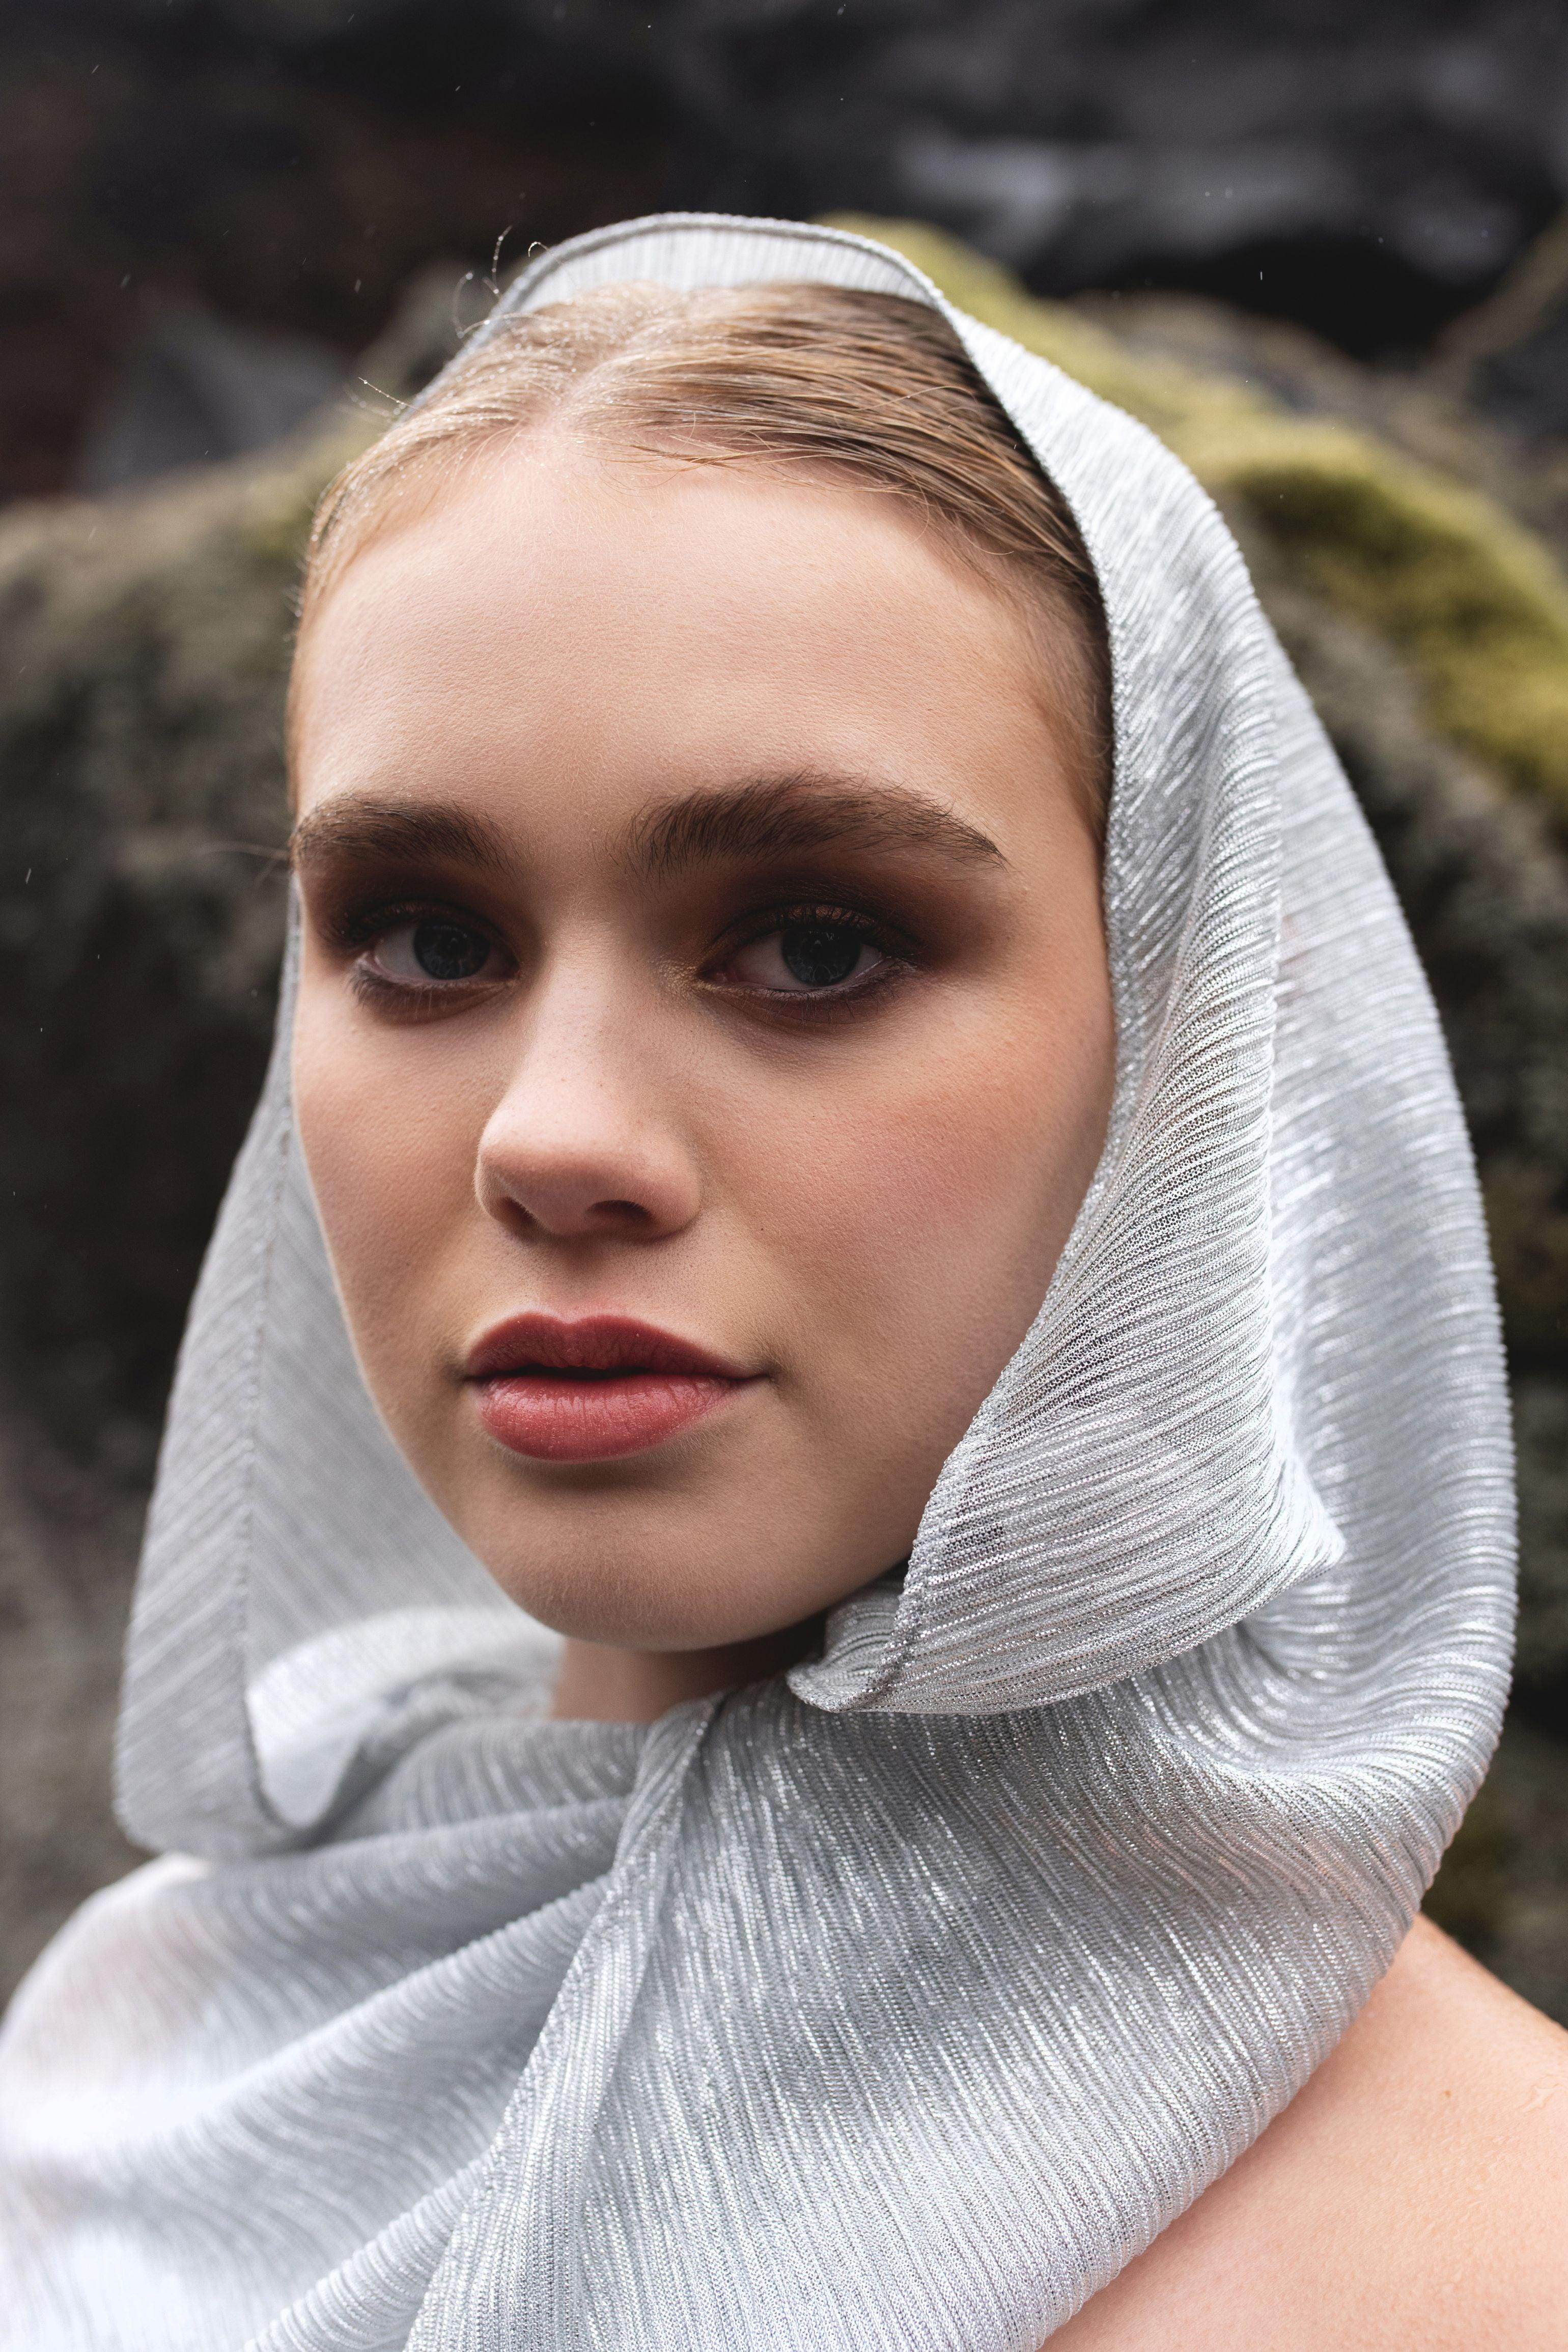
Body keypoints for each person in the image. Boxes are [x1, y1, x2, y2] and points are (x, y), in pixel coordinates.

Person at [0, 213, 1562, 2351]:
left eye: (817, 944)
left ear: (1197, 1040)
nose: (551, 1135)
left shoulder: (1477, 2261)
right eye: (427, 939)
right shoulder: (142, 2042)